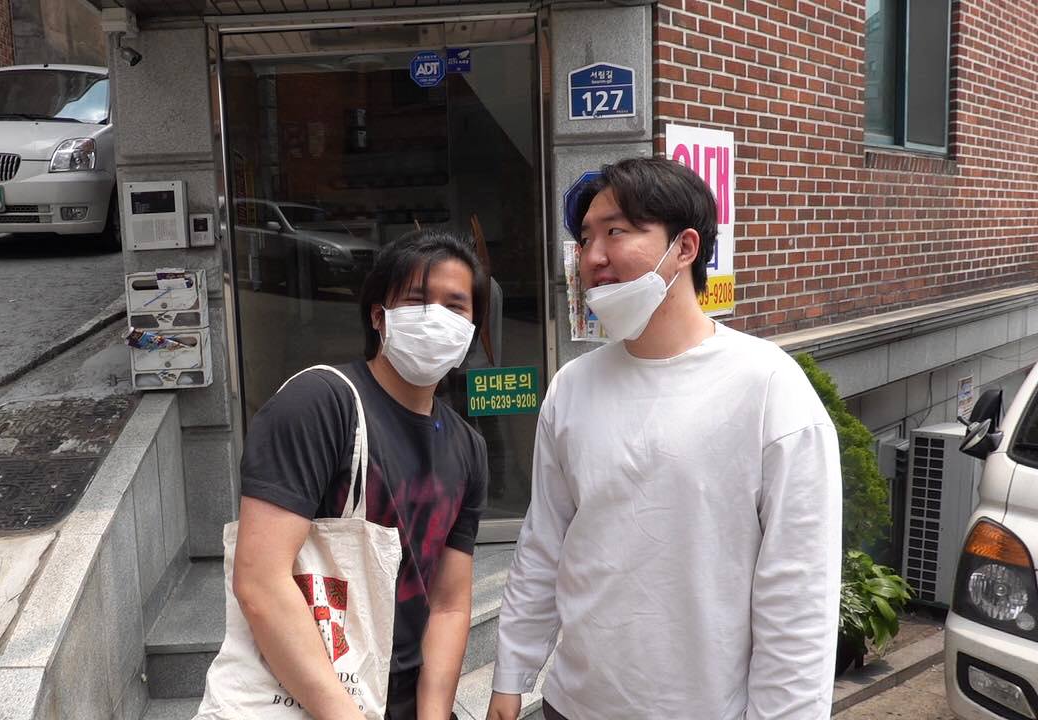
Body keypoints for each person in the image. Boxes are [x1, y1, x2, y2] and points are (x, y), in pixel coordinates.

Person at [486, 157, 842, 720]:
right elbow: (544, 544)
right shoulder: (572, 387)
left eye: (617, 231)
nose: (593, 256)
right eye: (584, 238)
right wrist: (511, 673)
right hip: (572, 705)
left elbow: (797, 592)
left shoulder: (768, 386)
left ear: (685, 247)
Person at [234, 229, 491, 720]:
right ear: (379, 315)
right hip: (314, 691)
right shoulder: (320, 404)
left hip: (409, 698)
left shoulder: (468, 448)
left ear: (473, 329)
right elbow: (260, 580)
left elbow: (450, 604)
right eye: (417, 299)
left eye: (455, 307)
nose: (436, 317)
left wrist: (433, 714)